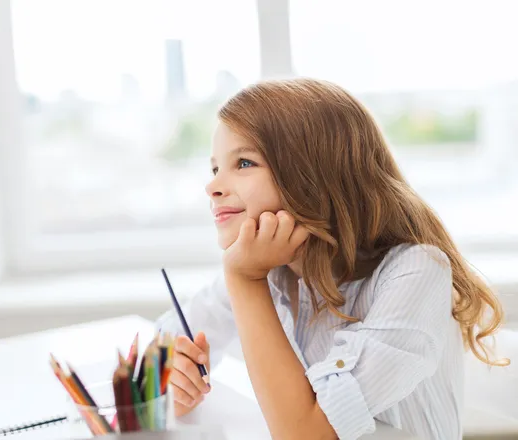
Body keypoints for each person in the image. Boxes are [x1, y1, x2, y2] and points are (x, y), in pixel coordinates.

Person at [156, 78, 509, 440]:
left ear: (314, 175)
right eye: (215, 168)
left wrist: (245, 280)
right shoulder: (273, 269)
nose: (212, 186)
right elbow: (165, 341)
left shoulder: (417, 271)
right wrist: (173, 373)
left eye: (244, 163)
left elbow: (306, 434)